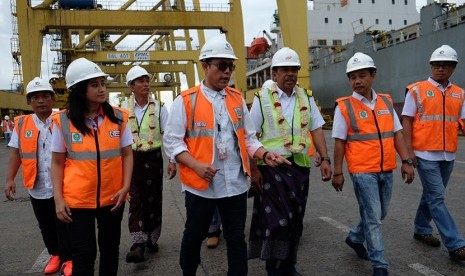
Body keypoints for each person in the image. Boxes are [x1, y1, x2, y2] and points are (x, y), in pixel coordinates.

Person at [163, 36, 290, 276]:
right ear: (205, 66)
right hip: (201, 186)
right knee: (194, 236)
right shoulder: (186, 101)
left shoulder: (236, 99)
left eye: (230, 66)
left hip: (235, 184)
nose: (227, 72)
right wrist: (197, 166)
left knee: (235, 239)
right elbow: (172, 142)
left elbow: (249, 138)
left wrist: (264, 154)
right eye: (221, 66)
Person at [248, 47, 332, 276]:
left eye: (294, 69)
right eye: (284, 69)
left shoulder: (306, 97)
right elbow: (249, 136)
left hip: (300, 171)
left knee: (294, 221)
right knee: (277, 223)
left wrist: (325, 158)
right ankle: (274, 268)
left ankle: (288, 265)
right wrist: (253, 170)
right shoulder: (262, 99)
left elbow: (316, 128)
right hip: (271, 172)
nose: (290, 74)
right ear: (274, 73)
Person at [331, 52, 415, 276]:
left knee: (380, 213)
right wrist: (338, 172)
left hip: (386, 168)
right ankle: (380, 264)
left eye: (361, 76)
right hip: (362, 172)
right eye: (352, 77)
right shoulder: (344, 107)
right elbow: (339, 143)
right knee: (375, 218)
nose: (357, 81)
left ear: (373, 75)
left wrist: (406, 161)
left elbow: (397, 134)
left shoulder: (386, 102)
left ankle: (355, 237)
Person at [50, 58, 134, 276]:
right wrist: (58, 199)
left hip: (113, 197)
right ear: (79, 89)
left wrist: (125, 188)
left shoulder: (118, 117)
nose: (102, 89)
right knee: (84, 253)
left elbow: (127, 154)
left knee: (110, 250)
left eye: (102, 84)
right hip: (78, 201)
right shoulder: (64, 121)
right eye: (94, 85)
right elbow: (57, 162)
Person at [402, 45, 465, 261]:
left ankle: (421, 228)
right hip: (425, 154)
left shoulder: (460, 93)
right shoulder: (417, 90)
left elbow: (462, 121)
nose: (441, 69)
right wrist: (409, 154)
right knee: (437, 198)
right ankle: (456, 244)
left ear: (453, 68)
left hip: (448, 155)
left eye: (446, 65)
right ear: (431, 66)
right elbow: (407, 121)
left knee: (430, 195)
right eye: (437, 65)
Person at [4, 77, 72, 275]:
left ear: (52, 99)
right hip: (37, 185)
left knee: (65, 222)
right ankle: (55, 254)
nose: (40, 101)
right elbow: (16, 153)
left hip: (63, 184)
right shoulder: (22, 124)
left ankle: (68, 259)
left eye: (45, 96)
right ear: (29, 102)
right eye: (35, 97)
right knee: (46, 224)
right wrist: (9, 179)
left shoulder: (63, 120)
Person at [123, 65, 177, 263]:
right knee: (135, 199)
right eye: (141, 81)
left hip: (153, 159)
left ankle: (151, 238)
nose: (146, 84)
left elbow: (170, 135)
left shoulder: (161, 107)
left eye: (147, 81)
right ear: (132, 86)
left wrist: (172, 160)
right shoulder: (122, 108)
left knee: (153, 200)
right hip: (131, 159)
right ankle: (138, 244)